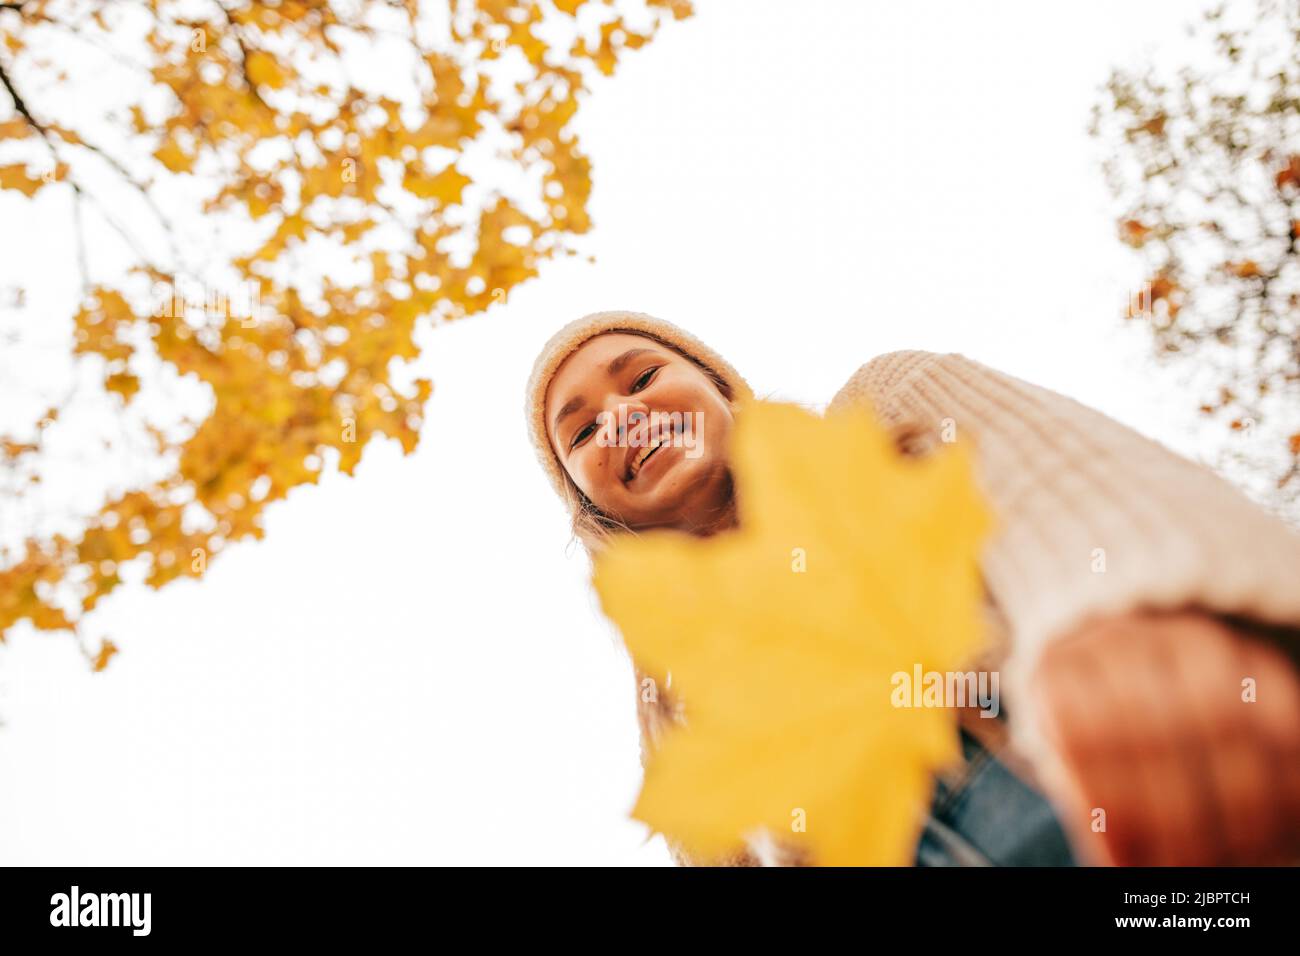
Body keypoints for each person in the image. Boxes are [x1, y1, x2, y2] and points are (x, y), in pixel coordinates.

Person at [523, 309, 1300, 866]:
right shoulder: (674, 712)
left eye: (644, 376)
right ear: (588, 503)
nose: (621, 417)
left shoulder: (881, 413)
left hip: (1120, 771)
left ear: (720, 387)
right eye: (582, 431)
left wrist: (1129, 615)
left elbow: (1076, 483)